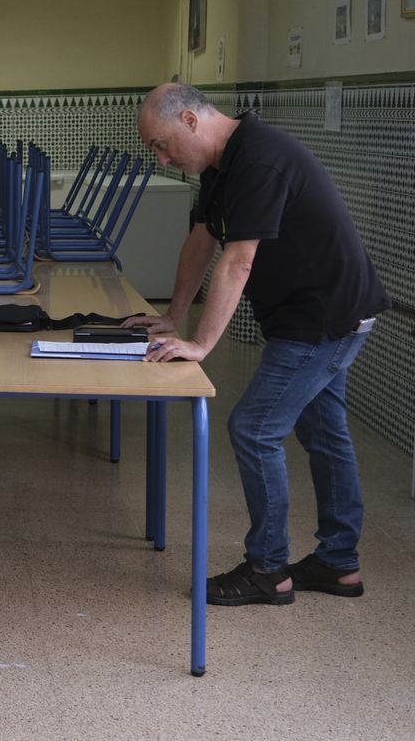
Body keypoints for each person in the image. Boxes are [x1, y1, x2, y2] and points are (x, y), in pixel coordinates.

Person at [126, 83, 388, 606]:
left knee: (254, 427)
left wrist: (201, 343)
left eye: (161, 144)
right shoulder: (222, 166)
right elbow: (201, 240)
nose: (162, 158)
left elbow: (239, 259)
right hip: (313, 314)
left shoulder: (259, 160)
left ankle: (268, 569)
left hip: (324, 317)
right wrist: (174, 316)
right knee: (323, 431)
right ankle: (339, 564)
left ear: (190, 121)